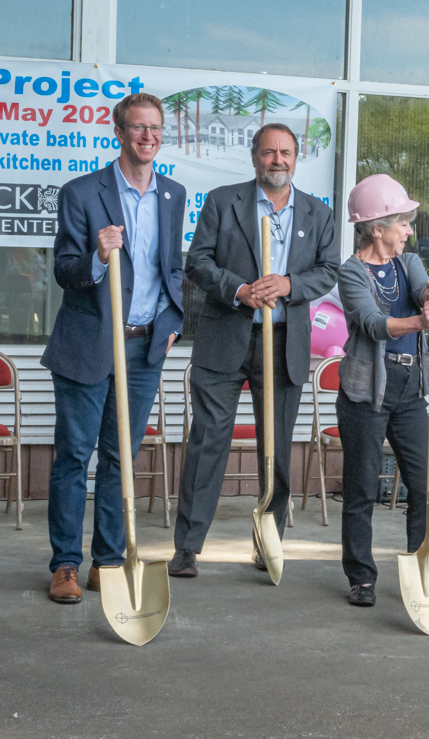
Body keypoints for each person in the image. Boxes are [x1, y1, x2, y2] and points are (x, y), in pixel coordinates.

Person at [169, 123, 339, 577]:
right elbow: (198, 262)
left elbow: (328, 271)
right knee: (208, 442)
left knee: (277, 448)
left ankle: (268, 543)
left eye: (285, 152)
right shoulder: (223, 202)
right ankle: (187, 547)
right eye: (268, 152)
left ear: (296, 158)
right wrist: (239, 289)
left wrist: (289, 284)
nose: (277, 160)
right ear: (254, 157)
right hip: (226, 336)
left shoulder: (317, 214)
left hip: (283, 342)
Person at [40, 93, 186, 603]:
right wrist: (99, 257)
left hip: (144, 350)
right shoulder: (82, 192)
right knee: (73, 457)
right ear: (119, 132)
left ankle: (107, 560)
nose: (149, 136)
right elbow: (64, 270)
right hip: (88, 345)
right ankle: (65, 565)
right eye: (138, 127)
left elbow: (172, 269)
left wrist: (173, 321)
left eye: (156, 128)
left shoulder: (172, 194)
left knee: (120, 459)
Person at [336, 174, 429, 606]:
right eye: (402, 222)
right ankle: (361, 577)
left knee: (424, 486)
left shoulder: (410, 262)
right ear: (377, 227)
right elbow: (371, 323)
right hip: (366, 392)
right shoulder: (351, 272)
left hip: (410, 388)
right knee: (362, 488)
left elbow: (422, 292)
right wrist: (422, 320)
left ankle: (426, 570)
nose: (408, 231)